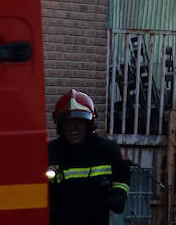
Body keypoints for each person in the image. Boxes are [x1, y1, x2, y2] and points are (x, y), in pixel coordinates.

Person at [47, 89, 131, 225]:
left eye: (79, 122)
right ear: (60, 126)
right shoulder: (50, 153)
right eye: (68, 122)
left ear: (89, 124)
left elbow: (122, 176)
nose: (73, 128)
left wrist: (119, 194)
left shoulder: (108, 150)